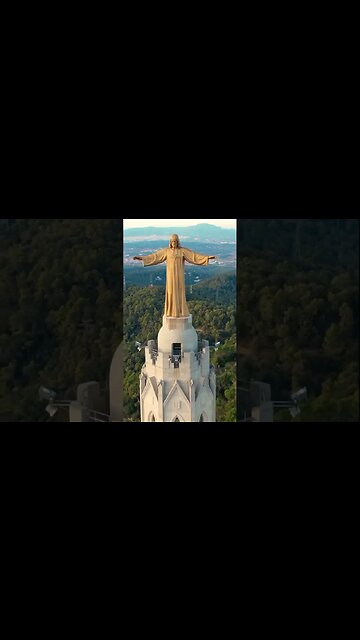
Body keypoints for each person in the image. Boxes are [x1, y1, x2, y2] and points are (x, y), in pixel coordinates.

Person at [134, 234, 216, 318]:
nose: (174, 243)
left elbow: (194, 256)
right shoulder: (166, 251)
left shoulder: (182, 251)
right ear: (170, 242)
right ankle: (170, 311)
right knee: (171, 291)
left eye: (176, 241)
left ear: (178, 242)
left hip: (179, 276)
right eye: (173, 241)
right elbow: (155, 257)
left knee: (179, 291)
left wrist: (207, 258)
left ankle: (181, 311)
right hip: (170, 276)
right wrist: (142, 258)